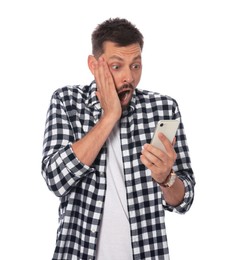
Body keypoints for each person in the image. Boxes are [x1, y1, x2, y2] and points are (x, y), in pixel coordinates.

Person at [41, 17, 195, 260]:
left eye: (136, 66)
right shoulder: (67, 101)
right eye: (117, 66)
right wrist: (110, 115)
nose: (129, 78)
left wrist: (167, 178)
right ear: (94, 65)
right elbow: (55, 179)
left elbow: (184, 200)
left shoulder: (163, 109)